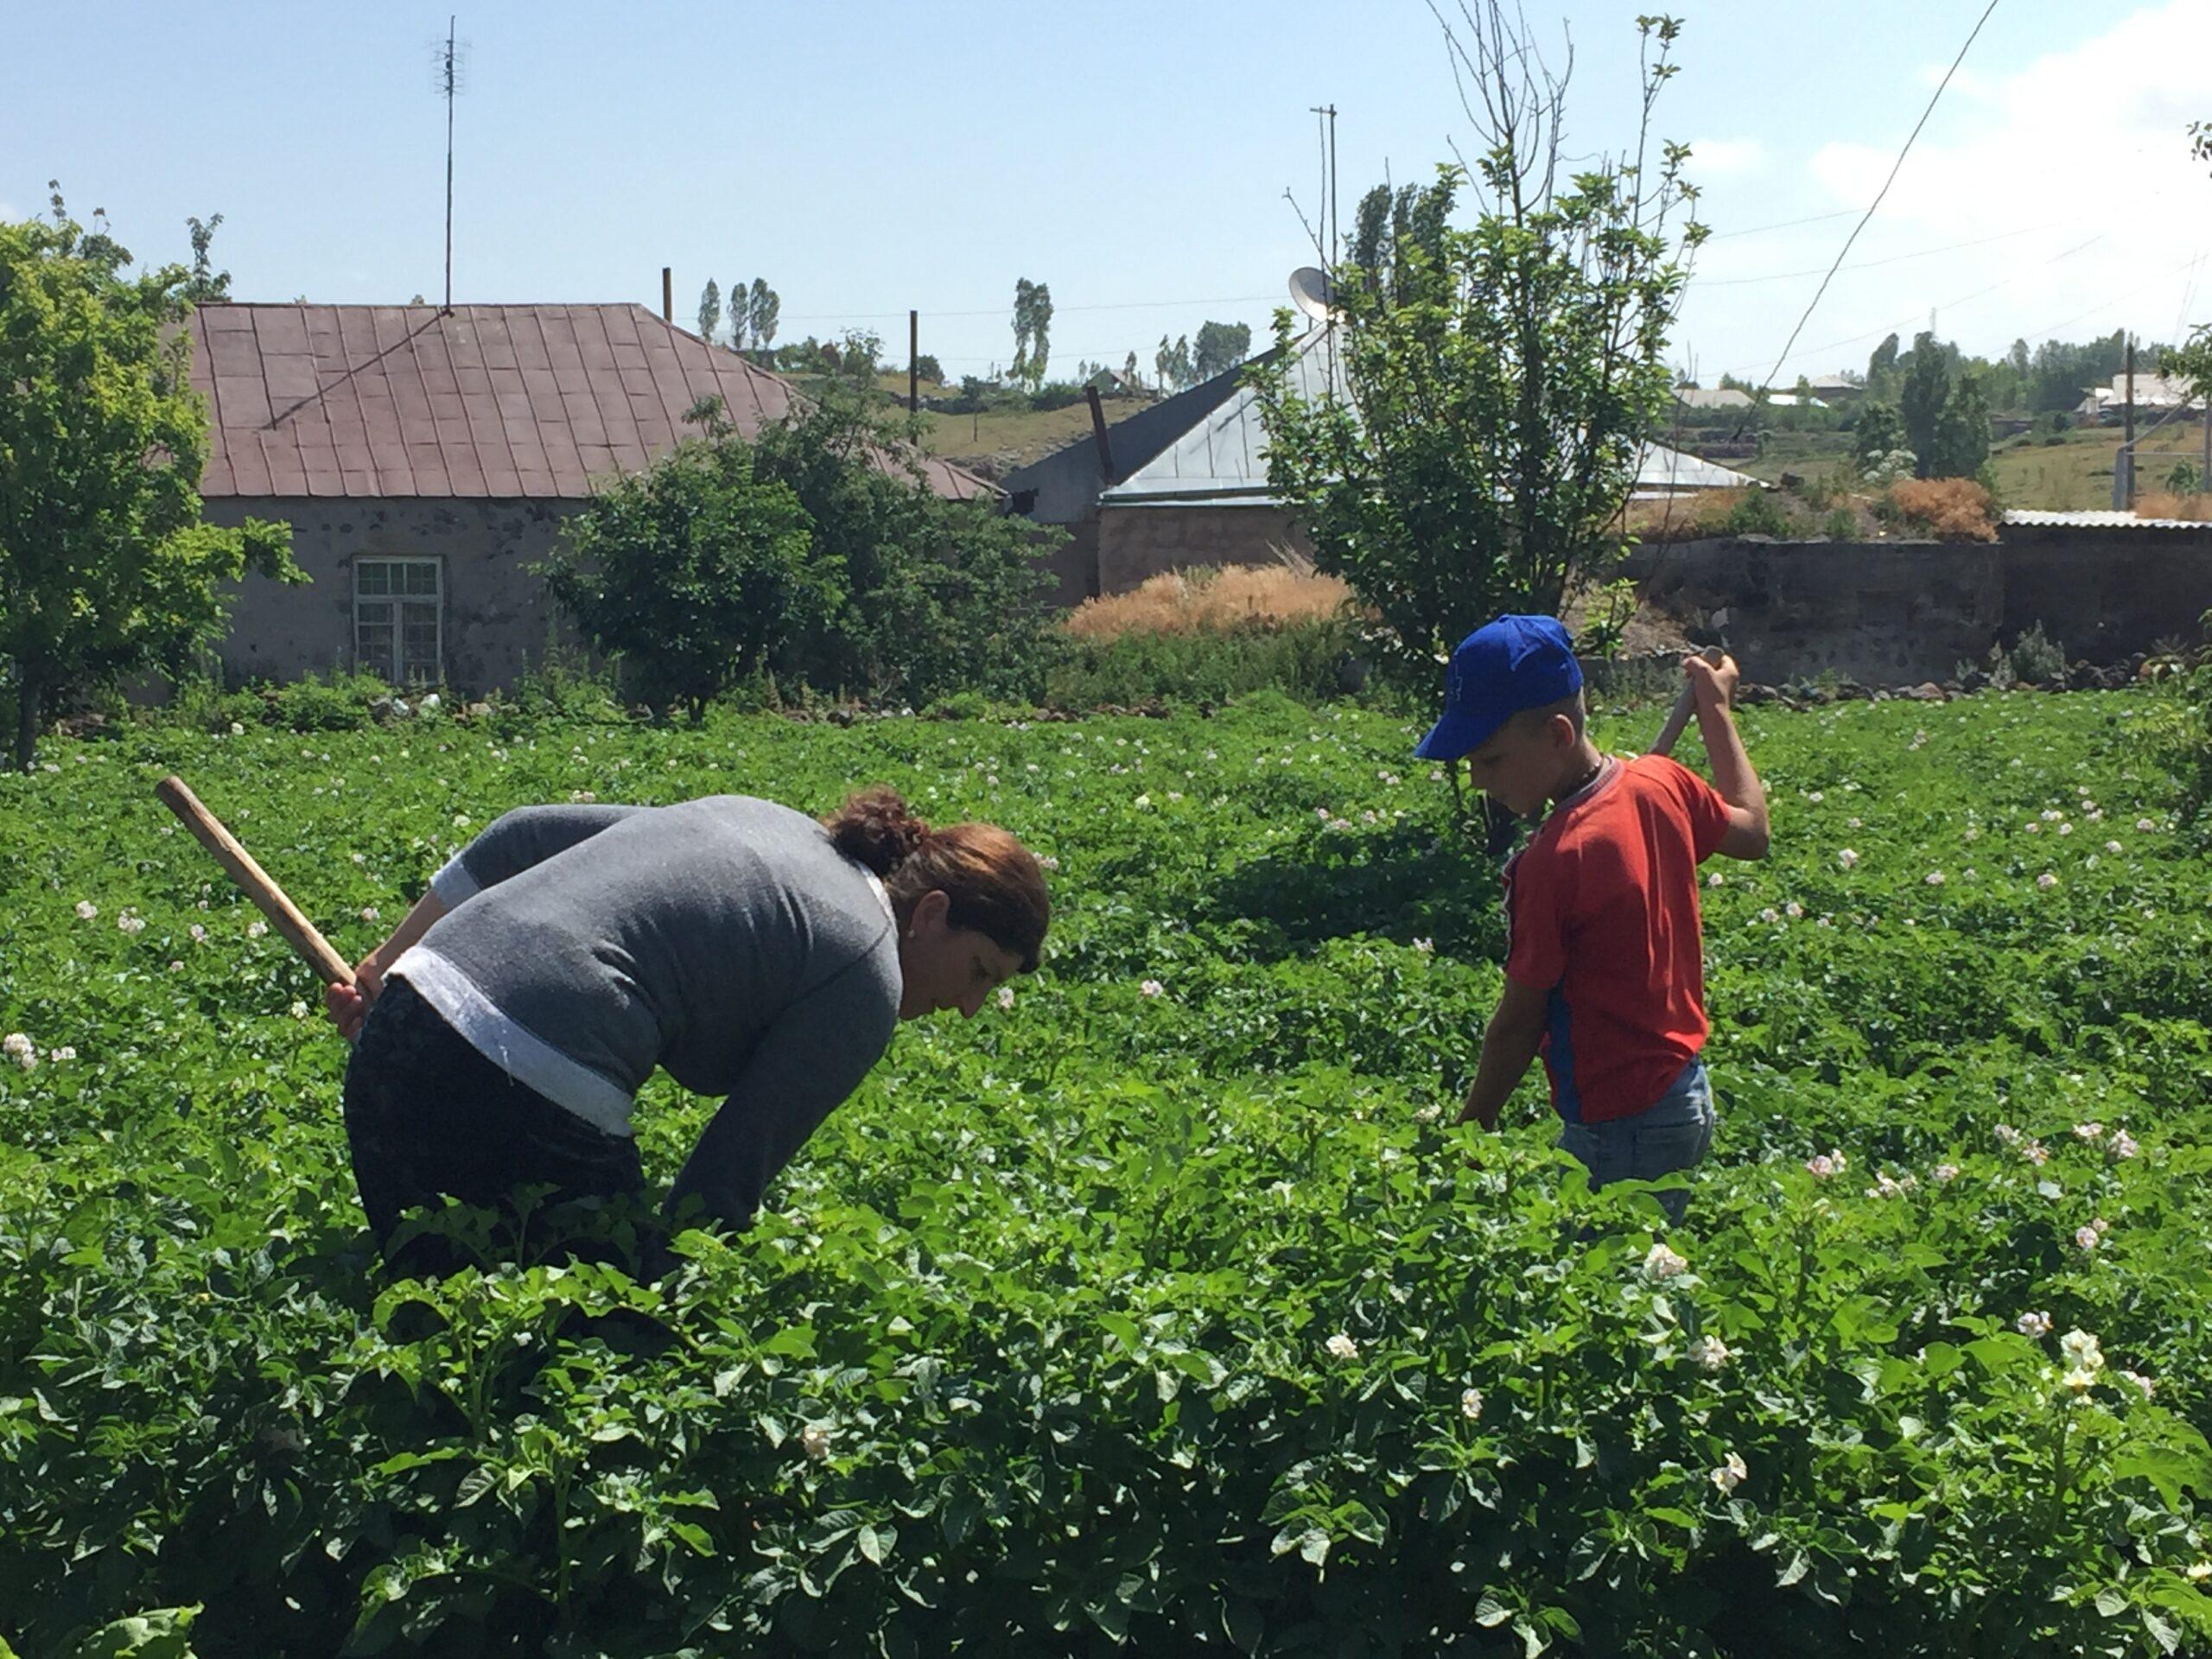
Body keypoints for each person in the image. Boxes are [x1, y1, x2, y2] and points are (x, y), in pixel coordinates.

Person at [326, 787, 1049, 1269]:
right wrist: (675, 1323)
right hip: (526, 1087)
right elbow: (718, 1190)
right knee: (587, 1354)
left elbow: (521, 835)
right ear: (930, 915)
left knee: (434, 1332)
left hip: (406, 1023)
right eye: (981, 971)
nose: (969, 1007)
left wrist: (384, 969)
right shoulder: (866, 972)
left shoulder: (769, 820)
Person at [1416, 615, 1769, 1221]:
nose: (1477, 780)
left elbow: (1517, 1024)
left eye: (1492, 759)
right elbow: (1752, 829)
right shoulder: (1659, 784)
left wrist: (1473, 1126)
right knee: (1640, 1280)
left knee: (1603, 1298)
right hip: (1682, 1095)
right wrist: (1716, 708)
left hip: (1621, 1124)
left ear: (1557, 735)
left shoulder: (1555, 860)